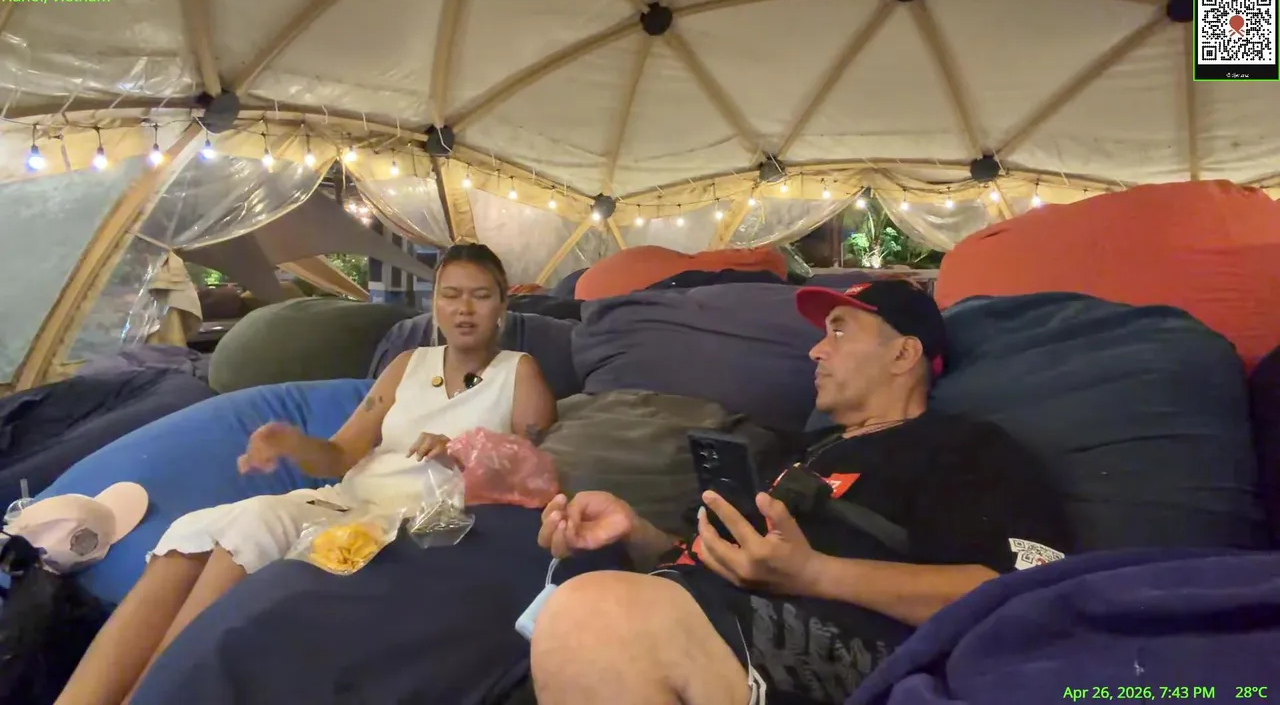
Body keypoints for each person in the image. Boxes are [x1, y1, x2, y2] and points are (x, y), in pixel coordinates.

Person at [57, 243, 557, 705]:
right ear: (435, 304)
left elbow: (532, 474)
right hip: (345, 500)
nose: (464, 309)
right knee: (191, 537)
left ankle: (152, 696)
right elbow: (340, 453)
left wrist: (464, 450)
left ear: (502, 305)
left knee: (251, 531)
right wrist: (292, 443)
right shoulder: (408, 364)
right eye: (451, 295)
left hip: (409, 525)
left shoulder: (520, 372)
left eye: (480, 296)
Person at [530, 280, 1072, 705]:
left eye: (838, 331)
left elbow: (1020, 594)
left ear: (903, 354)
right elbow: (730, 561)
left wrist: (815, 574)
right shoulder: (802, 450)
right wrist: (637, 534)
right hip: (712, 607)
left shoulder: (966, 448)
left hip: (854, 647)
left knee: (593, 617)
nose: (815, 350)